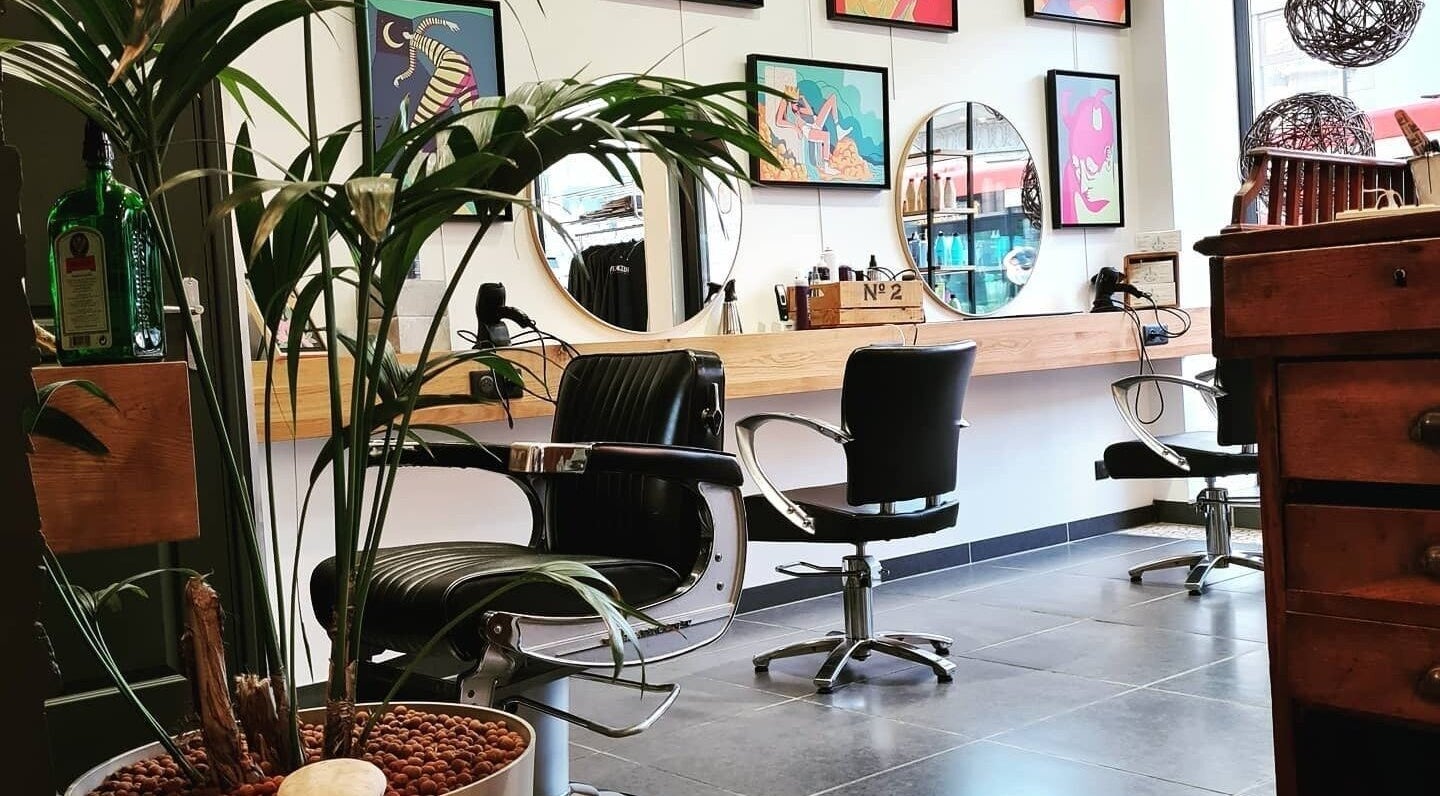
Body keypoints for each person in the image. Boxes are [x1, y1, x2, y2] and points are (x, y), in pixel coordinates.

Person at [772, 88, 852, 177]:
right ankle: (826, 167)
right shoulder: (787, 106)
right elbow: (779, 121)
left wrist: (803, 99)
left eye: (797, 102)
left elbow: (810, 112)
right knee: (826, 136)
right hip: (807, 130)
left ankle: (838, 128)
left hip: (814, 123)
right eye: (794, 102)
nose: (797, 104)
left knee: (832, 98)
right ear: (789, 101)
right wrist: (795, 128)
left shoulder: (797, 109)